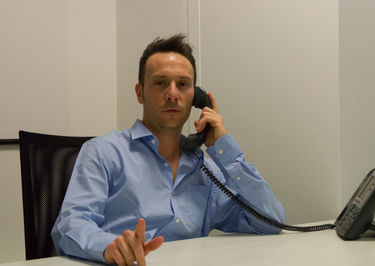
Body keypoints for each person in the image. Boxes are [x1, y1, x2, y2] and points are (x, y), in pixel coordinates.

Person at [51, 34, 285, 266]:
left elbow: (271, 222)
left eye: (183, 84)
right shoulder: (103, 152)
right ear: (140, 93)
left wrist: (223, 148)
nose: (173, 93)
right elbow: (70, 227)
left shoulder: (205, 168)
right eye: (161, 83)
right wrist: (109, 248)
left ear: (196, 97)